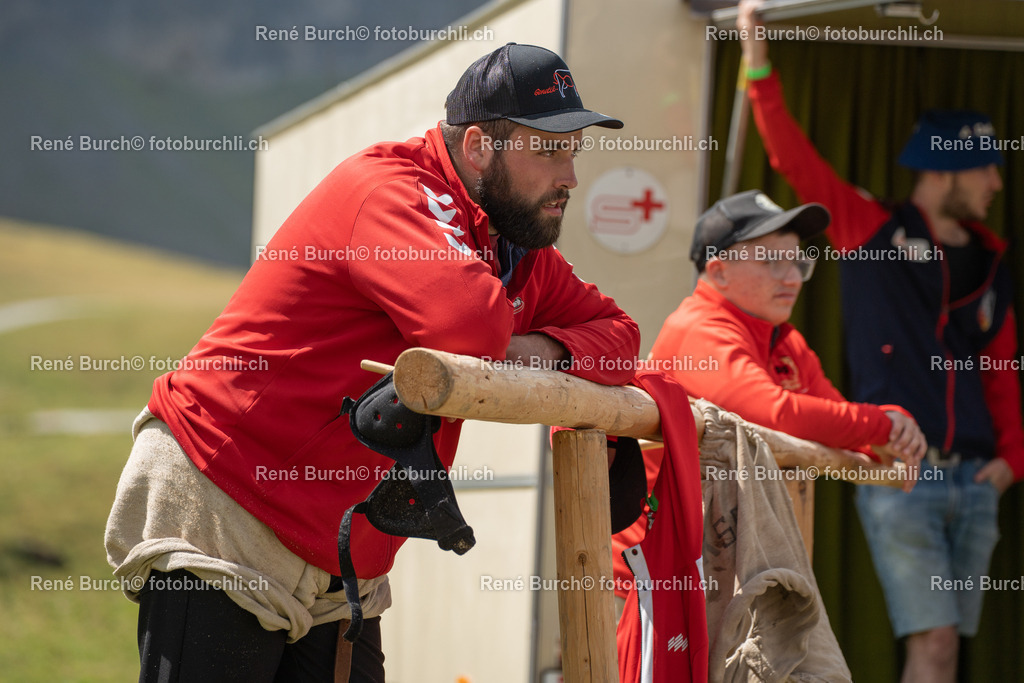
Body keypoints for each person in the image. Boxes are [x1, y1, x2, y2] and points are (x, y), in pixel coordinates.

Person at [104, 42, 640, 683]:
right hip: (228, 501)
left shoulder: (509, 239)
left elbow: (622, 336)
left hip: (337, 547)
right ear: (477, 148)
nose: (570, 176)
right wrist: (516, 336)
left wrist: (539, 348)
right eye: (548, 149)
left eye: (573, 150)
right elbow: (469, 329)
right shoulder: (389, 189)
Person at [737, 3, 1024, 680]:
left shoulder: (991, 260)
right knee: (937, 642)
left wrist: (1012, 460)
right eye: (986, 167)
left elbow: (1003, 370)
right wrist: (756, 59)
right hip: (904, 476)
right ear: (947, 169)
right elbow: (794, 161)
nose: (997, 183)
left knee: (949, 645)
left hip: (977, 482)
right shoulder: (870, 228)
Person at [648, 190, 927, 476]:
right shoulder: (698, 326)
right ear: (719, 272)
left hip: (720, 517)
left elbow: (835, 418)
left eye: (797, 262)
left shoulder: (782, 336)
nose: (793, 278)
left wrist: (888, 440)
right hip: (665, 520)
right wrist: (882, 425)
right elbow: (776, 415)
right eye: (772, 261)